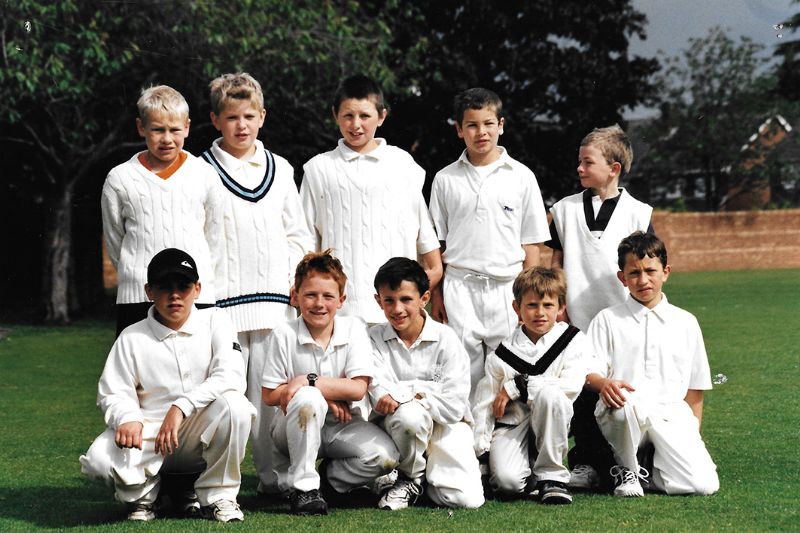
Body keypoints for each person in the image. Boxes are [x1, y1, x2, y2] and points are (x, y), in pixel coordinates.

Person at [79, 248, 254, 522]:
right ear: (149, 290)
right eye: (164, 287)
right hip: (150, 434)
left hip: (198, 433)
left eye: (183, 286)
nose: (175, 295)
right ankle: (146, 497)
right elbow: (114, 390)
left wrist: (181, 406)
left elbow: (231, 376)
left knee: (236, 406)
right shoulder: (131, 336)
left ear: (197, 289)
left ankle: (218, 496)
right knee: (98, 461)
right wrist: (127, 417)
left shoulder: (216, 320)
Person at [201, 72, 313, 496]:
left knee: (270, 400)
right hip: (220, 308)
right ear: (215, 120)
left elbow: (298, 235)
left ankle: (274, 479)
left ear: (262, 116)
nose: (241, 125)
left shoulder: (281, 168)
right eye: (232, 117)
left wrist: (290, 282)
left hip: (273, 304)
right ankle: (216, 483)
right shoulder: (201, 170)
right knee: (225, 396)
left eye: (249, 116)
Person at [546, 124, 654, 491]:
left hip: (623, 318)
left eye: (587, 162)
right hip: (576, 317)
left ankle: (629, 463)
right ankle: (585, 462)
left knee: (620, 390)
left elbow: (645, 263)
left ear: (614, 168)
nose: (579, 168)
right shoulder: (563, 209)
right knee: (581, 391)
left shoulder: (640, 212)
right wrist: (558, 304)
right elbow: (556, 261)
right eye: (579, 161)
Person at [429, 87, 550, 401]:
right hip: (459, 287)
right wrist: (438, 294)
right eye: (471, 125)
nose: (481, 132)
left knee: (507, 373)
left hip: (507, 288)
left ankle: (503, 445)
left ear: (501, 125)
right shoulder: (444, 179)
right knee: (461, 373)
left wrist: (529, 297)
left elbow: (532, 246)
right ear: (459, 130)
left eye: (488, 123)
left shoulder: (522, 177)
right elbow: (436, 244)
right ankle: (467, 447)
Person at [261, 250, 399, 515]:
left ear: (341, 300)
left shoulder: (354, 328)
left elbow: (358, 389)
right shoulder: (284, 333)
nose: (319, 304)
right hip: (291, 429)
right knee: (309, 398)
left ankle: (329, 481)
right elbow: (270, 394)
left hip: (341, 424)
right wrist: (325, 396)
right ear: (296, 296)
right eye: (310, 295)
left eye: (328, 296)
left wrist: (307, 380)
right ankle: (304, 491)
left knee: (385, 458)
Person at [299, 75, 442, 326]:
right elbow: (306, 244)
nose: (356, 125)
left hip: (394, 317)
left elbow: (430, 257)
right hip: (339, 317)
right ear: (335, 115)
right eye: (348, 116)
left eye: (365, 116)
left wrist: (407, 300)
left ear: (382, 116)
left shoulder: (403, 166)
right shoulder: (318, 170)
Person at [585, 231, 719, 497]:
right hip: (624, 413)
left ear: (665, 272)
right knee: (624, 403)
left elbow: (695, 388)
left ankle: (645, 470)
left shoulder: (686, 322)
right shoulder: (607, 319)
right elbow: (588, 371)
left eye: (650, 270)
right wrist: (603, 384)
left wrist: (689, 437)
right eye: (634, 273)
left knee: (704, 485)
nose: (643, 280)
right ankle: (627, 469)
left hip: (670, 415)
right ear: (622, 278)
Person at [101, 85, 222, 337]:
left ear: (187, 127)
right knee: (139, 374)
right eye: (157, 130)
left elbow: (215, 238)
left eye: (174, 130)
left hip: (194, 298)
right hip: (137, 296)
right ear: (141, 127)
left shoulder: (204, 174)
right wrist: (137, 275)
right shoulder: (120, 178)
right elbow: (115, 242)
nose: (167, 139)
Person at [369, 257, 484, 511]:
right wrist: (423, 395)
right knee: (409, 416)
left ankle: (419, 480)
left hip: (446, 425)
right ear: (379, 301)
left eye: (406, 300)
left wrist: (409, 395)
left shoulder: (447, 339)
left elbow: (454, 406)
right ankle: (409, 478)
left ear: (424, 298)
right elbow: (380, 398)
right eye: (389, 300)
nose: (397, 309)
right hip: (396, 427)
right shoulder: (373, 339)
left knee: (466, 500)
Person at [472, 266, 592, 504]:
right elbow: (484, 403)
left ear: (561, 307)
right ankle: (529, 472)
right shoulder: (502, 354)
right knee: (507, 485)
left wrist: (518, 386)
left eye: (548, 305)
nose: (540, 313)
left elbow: (571, 385)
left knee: (550, 394)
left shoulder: (573, 339)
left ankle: (552, 478)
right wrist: (482, 454)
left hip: (553, 420)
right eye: (531, 305)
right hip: (513, 423)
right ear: (517, 308)